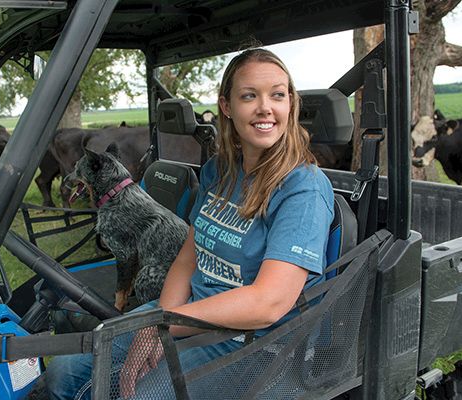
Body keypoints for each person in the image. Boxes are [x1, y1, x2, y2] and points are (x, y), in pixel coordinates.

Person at [46, 48, 334, 400]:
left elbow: (267, 303)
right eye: (249, 96)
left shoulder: (303, 187)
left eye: (277, 94)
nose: (265, 108)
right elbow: (188, 257)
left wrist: (161, 326)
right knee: (64, 373)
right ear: (226, 106)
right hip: (190, 311)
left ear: (291, 103)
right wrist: (161, 318)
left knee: (137, 395)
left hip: (254, 341)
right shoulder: (218, 171)